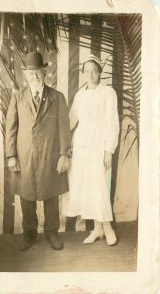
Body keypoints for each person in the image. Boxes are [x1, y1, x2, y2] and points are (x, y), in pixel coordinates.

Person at [6, 51, 71, 251]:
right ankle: (30, 234)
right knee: (26, 196)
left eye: (38, 72)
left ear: (45, 72)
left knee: (51, 195)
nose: (34, 76)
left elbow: (64, 127)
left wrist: (63, 154)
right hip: (25, 156)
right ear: (26, 75)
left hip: (50, 155)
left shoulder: (57, 97)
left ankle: (52, 233)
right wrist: (11, 155)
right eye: (30, 73)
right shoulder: (18, 97)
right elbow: (11, 128)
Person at [66, 54, 120, 245]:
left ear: (99, 73)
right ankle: (97, 229)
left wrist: (108, 150)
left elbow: (112, 122)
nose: (90, 74)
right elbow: (70, 121)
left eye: (94, 70)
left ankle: (108, 228)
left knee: (100, 186)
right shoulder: (80, 95)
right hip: (81, 146)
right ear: (83, 74)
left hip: (99, 145)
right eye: (87, 71)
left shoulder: (108, 92)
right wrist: (67, 146)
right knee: (89, 187)